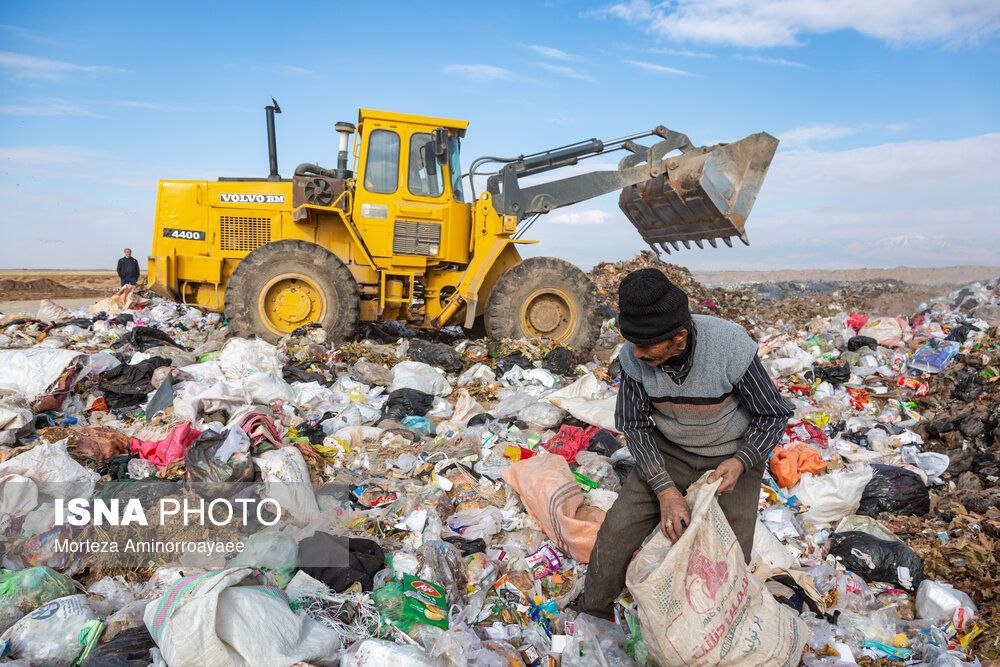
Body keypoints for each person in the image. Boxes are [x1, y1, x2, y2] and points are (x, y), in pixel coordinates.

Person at [577, 268, 793, 619]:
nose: (639, 354)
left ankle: (714, 628)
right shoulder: (634, 358)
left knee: (729, 553)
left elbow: (773, 414)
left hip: (731, 455)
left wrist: (742, 461)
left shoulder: (729, 345)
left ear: (679, 336)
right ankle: (593, 613)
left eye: (648, 347)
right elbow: (633, 425)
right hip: (669, 453)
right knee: (617, 530)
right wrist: (665, 490)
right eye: (634, 345)